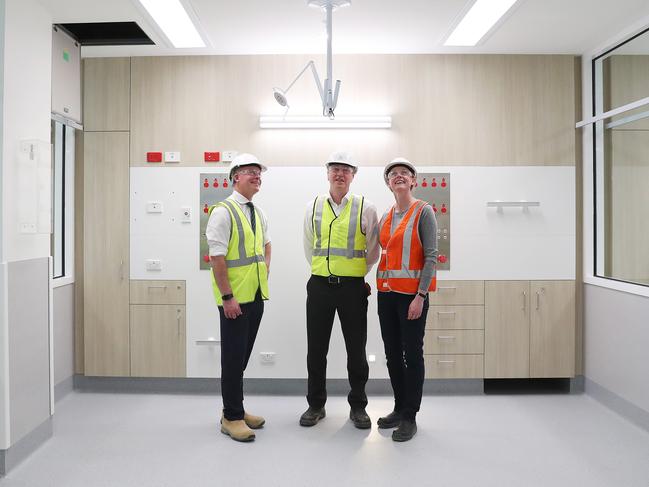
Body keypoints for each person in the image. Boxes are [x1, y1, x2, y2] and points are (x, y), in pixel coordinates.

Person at [300, 151, 380, 429]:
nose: (340, 174)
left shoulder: (365, 207)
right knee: (316, 350)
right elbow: (310, 245)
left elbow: (373, 250)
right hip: (320, 286)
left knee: (356, 350)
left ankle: (358, 406)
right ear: (327, 173)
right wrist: (325, 270)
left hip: (353, 289)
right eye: (335, 169)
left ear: (353, 175)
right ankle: (315, 405)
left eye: (346, 170)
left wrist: (356, 273)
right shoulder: (313, 206)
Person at [206, 153, 271, 442]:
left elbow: (267, 246)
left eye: (259, 173)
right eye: (250, 172)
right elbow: (217, 259)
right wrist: (227, 297)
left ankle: (236, 409)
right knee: (232, 359)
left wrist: (264, 272)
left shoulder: (257, 212)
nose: (256, 176)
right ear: (235, 177)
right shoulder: (223, 211)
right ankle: (231, 417)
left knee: (241, 358)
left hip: (255, 297)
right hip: (234, 300)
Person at [376, 157, 438, 442]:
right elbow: (381, 255)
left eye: (404, 173)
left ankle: (410, 415)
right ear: (388, 184)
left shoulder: (423, 211)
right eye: (393, 174)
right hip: (386, 296)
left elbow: (431, 257)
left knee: (411, 355)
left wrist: (420, 296)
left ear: (414, 181)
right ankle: (399, 408)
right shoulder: (386, 217)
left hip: (412, 298)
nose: (398, 176)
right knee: (392, 355)